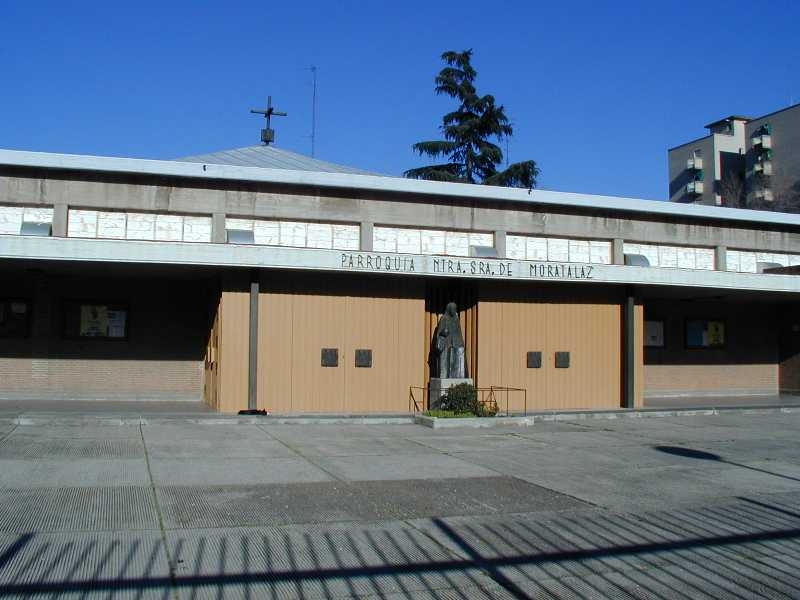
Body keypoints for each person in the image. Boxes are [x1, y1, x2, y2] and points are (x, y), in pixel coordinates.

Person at [435, 302, 466, 378]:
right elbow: (439, 333)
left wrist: (461, 342)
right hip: (446, 343)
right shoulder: (444, 318)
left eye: (455, 309)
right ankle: (445, 375)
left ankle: (457, 376)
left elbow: (459, 332)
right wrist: (443, 332)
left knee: (459, 356)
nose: (454, 311)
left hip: (455, 343)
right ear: (449, 309)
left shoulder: (456, 319)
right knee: (445, 362)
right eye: (452, 309)